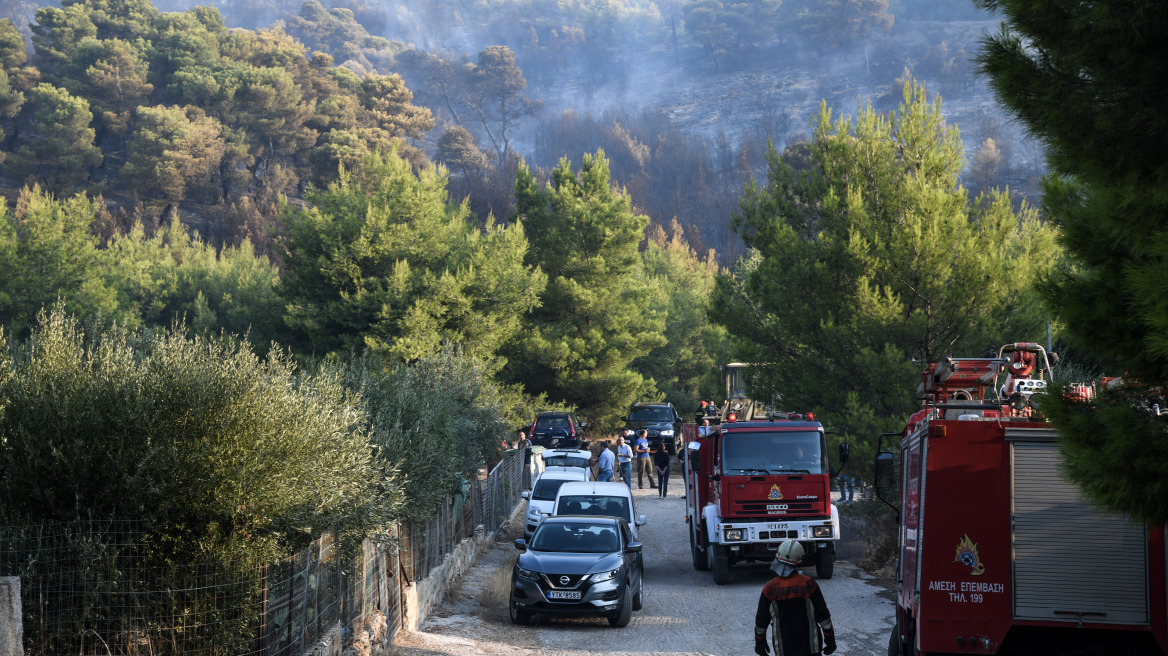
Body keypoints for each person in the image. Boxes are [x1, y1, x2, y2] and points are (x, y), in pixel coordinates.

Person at [754, 540, 836, 656]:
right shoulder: (809, 584)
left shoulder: (770, 588)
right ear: (799, 559)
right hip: (811, 649)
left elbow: (761, 621)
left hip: (784, 650)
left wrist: (760, 643)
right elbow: (823, 616)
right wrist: (830, 640)